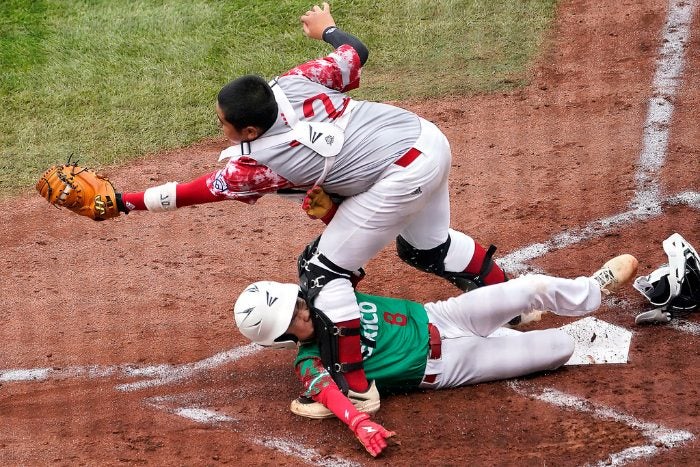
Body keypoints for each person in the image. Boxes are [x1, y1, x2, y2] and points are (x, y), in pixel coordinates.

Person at [110, 3, 513, 396]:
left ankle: (355, 387)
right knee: (428, 247)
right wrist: (326, 29)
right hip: (426, 139)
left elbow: (197, 191)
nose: (219, 125)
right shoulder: (292, 82)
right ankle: (511, 304)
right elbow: (356, 52)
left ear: (249, 129)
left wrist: (124, 201)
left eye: (223, 122)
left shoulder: (261, 163)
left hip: (399, 175)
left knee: (321, 270)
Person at [232, 253, 639, 457]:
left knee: (527, 287)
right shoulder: (310, 362)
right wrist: (358, 424)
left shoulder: (328, 292)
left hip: (444, 315)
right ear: (282, 338)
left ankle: (594, 288)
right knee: (560, 348)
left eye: (298, 303)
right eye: (295, 319)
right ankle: (514, 328)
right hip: (449, 368)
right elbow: (328, 394)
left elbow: (350, 246)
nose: (304, 311)